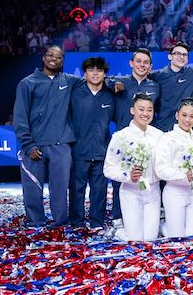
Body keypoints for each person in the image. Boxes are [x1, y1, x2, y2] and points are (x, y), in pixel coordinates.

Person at [13, 46, 82, 228]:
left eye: (59, 57)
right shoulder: (27, 83)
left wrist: (114, 81)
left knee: (60, 188)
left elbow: (94, 79)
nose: (54, 59)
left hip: (61, 145)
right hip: (35, 145)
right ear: (44, 57)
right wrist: (28, 145)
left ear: (63, 62)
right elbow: (20, 116)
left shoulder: (70, 81)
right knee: (32, 188)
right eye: (51, 55)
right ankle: (36, 223)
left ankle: (60, 223)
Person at [103, 93, 164, 241]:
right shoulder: (121, 136)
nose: (145, 114)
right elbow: (108, 168)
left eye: (149, 110)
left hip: (153, 191)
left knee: (150, 238)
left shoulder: (159, 135)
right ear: (132, 111)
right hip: (131, 192)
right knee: (135, 239)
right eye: (141, 109)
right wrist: (127, 176)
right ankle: (118, 232)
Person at [111, 48, 160, 226]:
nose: (142, 65)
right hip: (125, 137)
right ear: (131, 64)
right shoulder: (119, 82)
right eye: (138, 61)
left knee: (145, 174)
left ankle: (145, 212)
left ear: (151, 66)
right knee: (121, 174)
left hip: (146, 138)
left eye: (145, 62)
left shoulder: (154, 86)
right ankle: (117, 215)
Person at [69, 57, 116, 230]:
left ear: (105, 74)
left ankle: (97, 222)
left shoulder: (111, 95)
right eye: (91, 70)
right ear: (85, 73)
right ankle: (77, 222)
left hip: (102, 150)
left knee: (99, 191)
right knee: (76, 190)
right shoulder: (75, 92)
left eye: (99, 70)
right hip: (79, 151)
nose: (95, 73)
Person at [155, 98, 193, 237]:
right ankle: (165, 228)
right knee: (176, 238)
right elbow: (160, 169)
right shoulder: (167, 138)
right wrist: (183, 175)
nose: (187, 120)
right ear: (177, 115)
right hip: (175, 191)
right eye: (184, 115)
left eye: (192, 116)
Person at [149, 42, 193, 132]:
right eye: (178, 54)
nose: (181, 57)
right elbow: (138, 78)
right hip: (162, 127)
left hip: (184, 128)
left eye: (184, 55)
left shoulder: (192, 74)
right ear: (170, 56)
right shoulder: (158, 75)